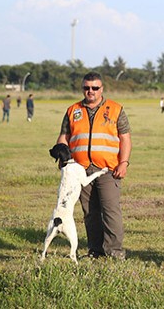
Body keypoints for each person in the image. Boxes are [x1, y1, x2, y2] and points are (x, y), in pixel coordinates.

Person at [56, 72, 131, 260]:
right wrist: (62, 157)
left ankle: (114, 252)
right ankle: (95, 251)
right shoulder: (73, 110)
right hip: (80, 169)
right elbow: (64, 136)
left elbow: (125, 139)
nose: (90, 91)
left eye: (95, 88)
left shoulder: (115, 109)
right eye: (86, 88)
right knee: (90, 212)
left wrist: (123, 163)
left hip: (108, 169)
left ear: (101, 89)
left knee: (111, 210)